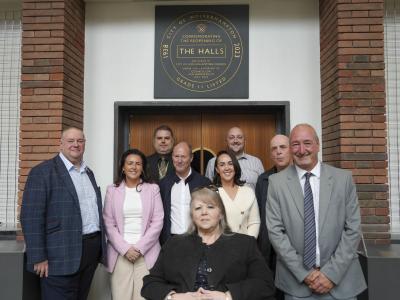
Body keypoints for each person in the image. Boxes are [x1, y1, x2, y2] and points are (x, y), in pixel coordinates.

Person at [266, 124, 367, 300]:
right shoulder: (276, 183)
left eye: (307, 143)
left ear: (318, 145)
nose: (302, 150)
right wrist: (305, 273)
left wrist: (331, 274)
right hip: (297, 284)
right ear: (290, 148)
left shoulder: (343, 179)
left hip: (341, 282)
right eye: (296, 144)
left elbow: (353, 229)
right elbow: (276, 233)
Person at [141, 187, 276, 300]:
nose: (204, 212)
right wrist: (175, 297)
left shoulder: (245, 244)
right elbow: (150, 284)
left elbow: (265, 284)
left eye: (210, 207)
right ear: (192, 215)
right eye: (198, 208)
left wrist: (227, 296)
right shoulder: (174, 244)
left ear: (221, 213)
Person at [20, 127, 106, 300]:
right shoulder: (42, 172)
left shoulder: (88, 173)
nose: (76, 144)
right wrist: (38, 257)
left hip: (89, 250)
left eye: (80, 141)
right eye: (71, 141)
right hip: (58, 255)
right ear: (60, 144)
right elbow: (30, 217)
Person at [103, 149, 164, 300]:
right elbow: (108, 223)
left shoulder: (152, 189)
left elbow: (158, 221)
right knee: (120, 296)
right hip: (120, 254)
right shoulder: (112, 190)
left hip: (146, 253)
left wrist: (139, 248)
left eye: (138, 164)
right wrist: (125, 249)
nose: (134, 167)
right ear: (123, 167)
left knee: (144, 296)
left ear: (142, 168)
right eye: (130, 163)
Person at [256, 134, 291, 300]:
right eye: (274, 149)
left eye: (282, 147)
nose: (278, 152)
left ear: (291, 150)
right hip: (268, 250)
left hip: (293, 249)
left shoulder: (300, 179)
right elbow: (260, 215)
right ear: (270, 154)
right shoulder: (263, 179)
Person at [158, 141, 211, 244]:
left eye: (183, 156)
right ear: (172, 158)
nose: (179, 160)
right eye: (176, 156)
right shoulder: (163, 184)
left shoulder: (204, 183)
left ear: (191, 158)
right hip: (171, 242)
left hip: (198, 240)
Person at [213, 150, 260, 238]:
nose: (227, 168)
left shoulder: (248, 192)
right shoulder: (212, 194)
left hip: (245, 246)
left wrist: (248, 244)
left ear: (235, 166)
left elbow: (254, 222)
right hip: (219, 247)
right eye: (222, 165)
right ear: (217, 169)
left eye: (230, 163)